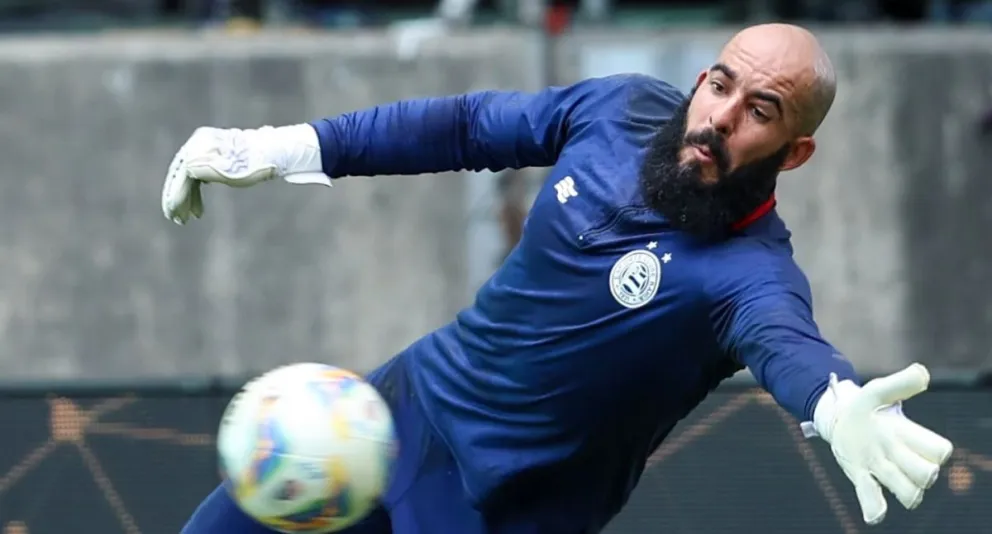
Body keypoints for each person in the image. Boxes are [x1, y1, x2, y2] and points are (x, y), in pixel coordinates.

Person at [167, 23, 954, 534]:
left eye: (762, 109)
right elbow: (464, 126)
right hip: (394, 415)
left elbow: (788, 345)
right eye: (720, 84)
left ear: (794, 153)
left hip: (502, 513)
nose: (719, 116)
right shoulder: (618, 110)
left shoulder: (750, 277)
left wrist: (836, 401)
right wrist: (279, 148)